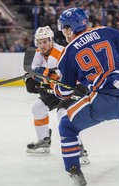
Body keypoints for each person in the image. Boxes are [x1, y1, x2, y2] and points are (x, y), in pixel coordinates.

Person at [34, 8, 119, 186]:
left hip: (105, 101)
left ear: (68, 29)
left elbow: (65, 92)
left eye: (63, 29)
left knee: (67, 125)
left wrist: (51, 84)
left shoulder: (68, 53)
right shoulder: (103, 30)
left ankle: (74, 170)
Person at [24, 25, 90, 165]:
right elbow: (34, 71)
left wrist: (42, 78)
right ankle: (44, 141)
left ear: (51, 41)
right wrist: (30, 79)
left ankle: (79, 148)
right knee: (37, 108)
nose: (42, 45)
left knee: (63, 113)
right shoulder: (37, 53)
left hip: (72, 86)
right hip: (57, 87)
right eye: (40, 42)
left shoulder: (60, 53)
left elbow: (60, 79)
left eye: (45, 42)